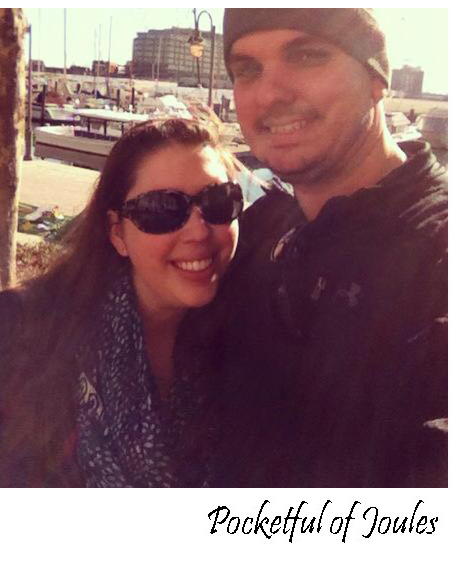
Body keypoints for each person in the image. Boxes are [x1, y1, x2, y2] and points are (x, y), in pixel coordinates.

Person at [180, 8, 447, 487]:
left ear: (376, 79)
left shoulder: (438, 258)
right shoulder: (259, 228)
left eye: (307, 56)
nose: (269, 95)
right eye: (248, 69)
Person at [0, 118, 243, 487]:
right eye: (162, 210)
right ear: (117, 233)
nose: (198, 231)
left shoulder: (243, 341)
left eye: (218, 201)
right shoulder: (17, 330)